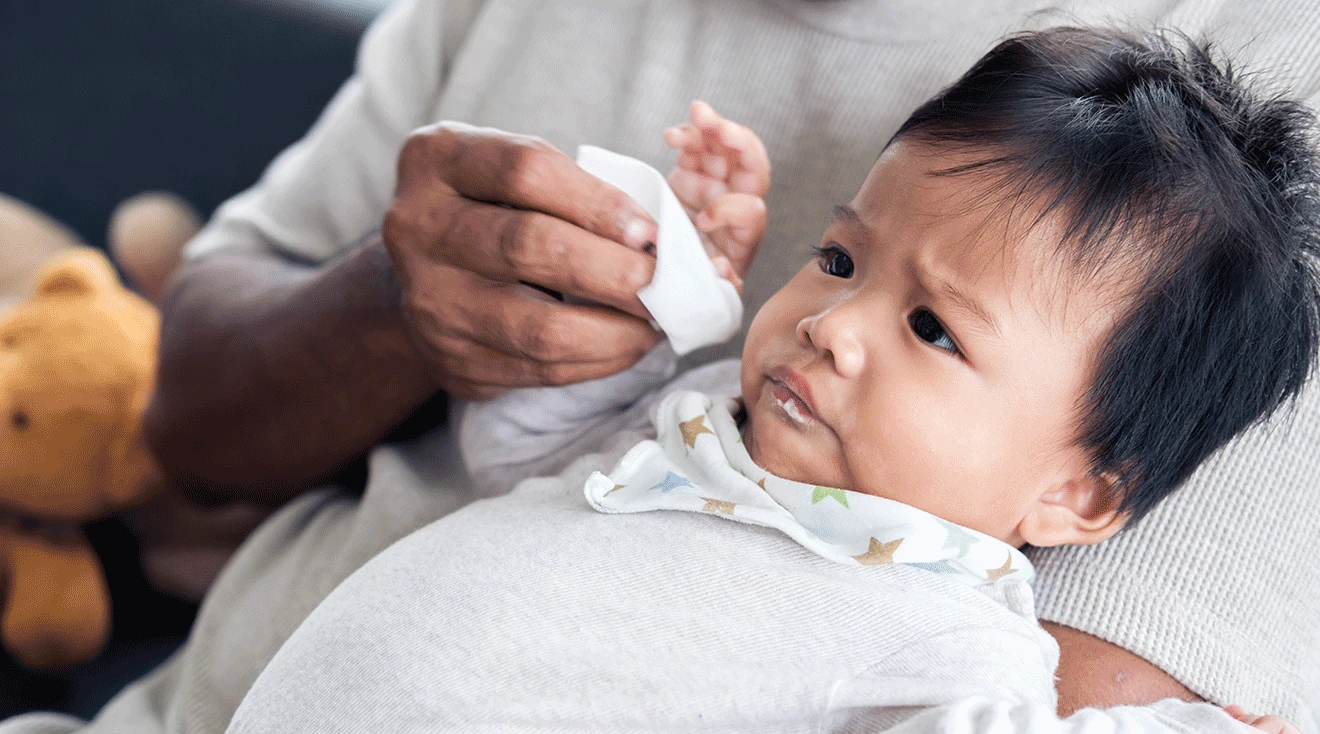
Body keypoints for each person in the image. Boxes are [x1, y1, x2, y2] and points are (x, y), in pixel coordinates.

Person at [2, 1, 1316, 733]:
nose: (831, 323)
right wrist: (658, 291)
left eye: (934, 331)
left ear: (1081, 495)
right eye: (842, 259)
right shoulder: (708, 428)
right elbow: (518, 453)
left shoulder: (942, 641)